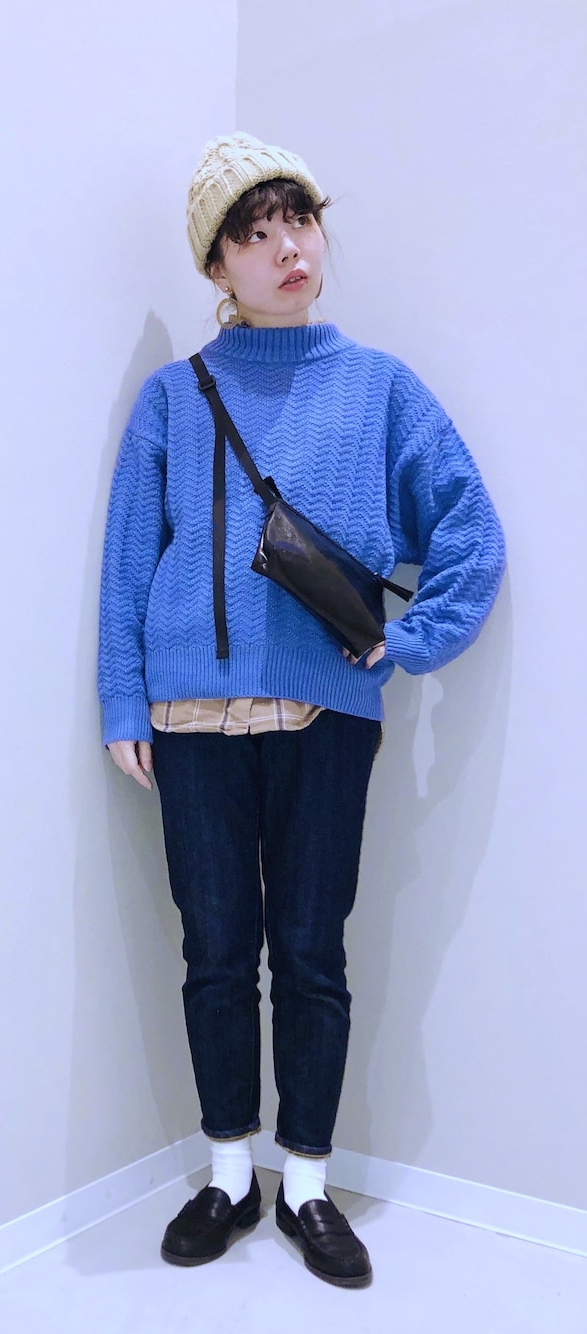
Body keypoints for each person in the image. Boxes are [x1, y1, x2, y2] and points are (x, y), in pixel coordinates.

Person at [96, 131, 506, 1288]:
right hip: (188, 727)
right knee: (215, 951)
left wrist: (407, 641)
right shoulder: (174, 399)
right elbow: (129, 561)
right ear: (216, 267)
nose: (288, 248)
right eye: (255, 233)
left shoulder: (379, 388)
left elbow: (469, 531)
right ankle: (229, 1173)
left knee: (312, 952)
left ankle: (308, 1186)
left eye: (300, 221)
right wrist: (124, 695)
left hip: (325, 719)